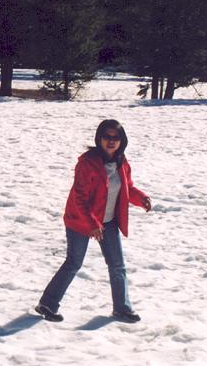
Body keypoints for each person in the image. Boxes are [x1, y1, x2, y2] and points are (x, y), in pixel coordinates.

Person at [35, 119, 151, 323]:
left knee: (117, 265)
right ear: (99, 138)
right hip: (81, 220)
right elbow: (79, 196)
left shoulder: (121, 162)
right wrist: (92, 224)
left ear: (122, 141)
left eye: (116, 137)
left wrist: (141, 198)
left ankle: (122, 309)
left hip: (108, 222)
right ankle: (47, 304)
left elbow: (126, 187)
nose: (111, 141)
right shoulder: (87, 162)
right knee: (73, 263)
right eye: (107, 136)